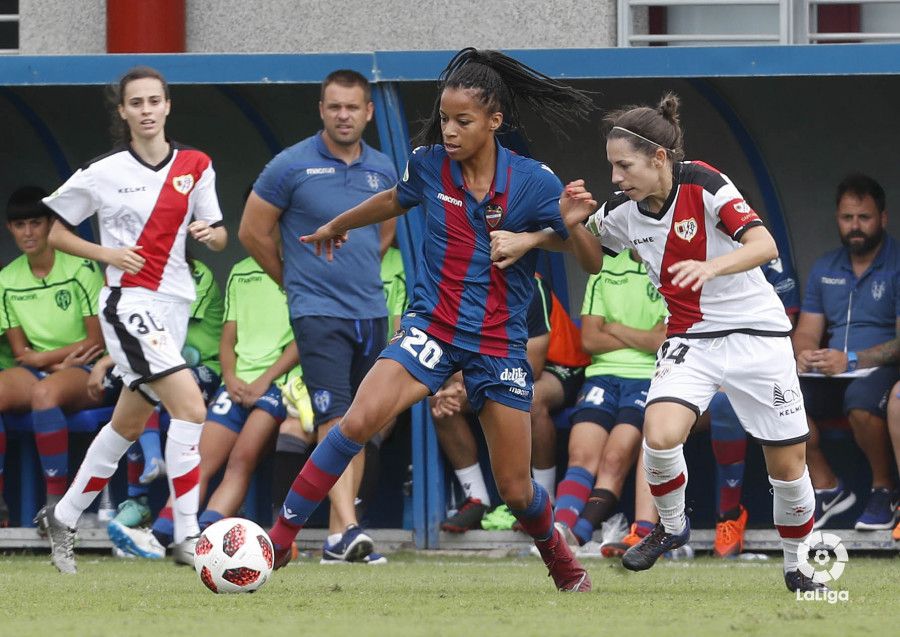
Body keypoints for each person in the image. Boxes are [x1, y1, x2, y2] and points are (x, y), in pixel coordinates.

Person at [266, 48, 597, 591]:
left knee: (516, 490)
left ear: (494, 122)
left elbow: (589, 258)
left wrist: (564, 227)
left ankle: (564, 565)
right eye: (444, 118)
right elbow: (394, 199)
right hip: (432, 328)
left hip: (498, 343)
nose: (449, 130)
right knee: (355, 421)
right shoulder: (428, 164)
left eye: (463, 120)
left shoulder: (533, 181)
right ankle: (280, 539)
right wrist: (338, 224)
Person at [494, 93, 822, 593]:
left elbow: (764, 244)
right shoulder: (622, 211)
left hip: (758, 336)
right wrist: (542, 234)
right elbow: (590, 254)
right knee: (660, 434)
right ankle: (671, 526)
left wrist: (711, 266)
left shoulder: (705, 183)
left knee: (788, 468)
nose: (615, 177)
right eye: (612, 166)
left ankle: (798, 566)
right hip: (691, 338)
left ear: (659, 158)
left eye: (624, 165)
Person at [34, 65, 227, 574]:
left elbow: (220, 234)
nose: (146, 110)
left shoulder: (196, 164)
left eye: (154, 101)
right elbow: (55, 232)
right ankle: (187, 535)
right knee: (191, 408)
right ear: (122, 111)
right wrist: (107, 254)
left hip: (175, 306)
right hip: (128, 304)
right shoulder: (103, 171)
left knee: (128, 423)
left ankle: (64, 515)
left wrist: (210, 234)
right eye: (136, 102)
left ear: (168, 106)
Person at [239, 69, 397, 563]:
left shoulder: (383, 168)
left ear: (368, 112)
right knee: (333, 417)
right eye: (334, 107)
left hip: (370, 310)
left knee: (361, 421)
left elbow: (385, 231)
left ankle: (334, 540)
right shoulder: (290, 165)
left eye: (352, 107)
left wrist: (356, 268)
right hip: (316, 312)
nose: (343, 116)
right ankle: (348, 526)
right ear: (321, 110)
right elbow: (251, 231)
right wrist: (293, 281)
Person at [793, 174, 900, 531]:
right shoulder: (825, 266)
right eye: (847, 218)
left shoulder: (897, 262)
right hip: (831, 372)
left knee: (860, 400)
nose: (855, 226)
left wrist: (852, 360)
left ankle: (884, 490)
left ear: (883, 218)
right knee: (779, 400)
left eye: (864, 217)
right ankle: (827, 486)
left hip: (882, 370)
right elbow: (806, 331)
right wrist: (805, 354)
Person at [0, 186, 105, 512]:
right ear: (10, 228)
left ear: (50, 224)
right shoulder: (6, 279)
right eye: (20, 225)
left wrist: (45, 359)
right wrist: (49, 364)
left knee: (45, 394)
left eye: (36, 223)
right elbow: (20, 352)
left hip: (89, 368)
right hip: (41, 370)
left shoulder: (81, 267)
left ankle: (55, 505)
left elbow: (97, 341)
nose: (28, 233)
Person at [553, 249, 667, 548]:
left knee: (615, 457)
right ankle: (560, 530)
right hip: (602, 375)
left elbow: (662, 341)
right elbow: (590, 339)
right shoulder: (605, 267)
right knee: (581, 453)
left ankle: (579, 534)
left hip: (648, 377)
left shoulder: (669, 267)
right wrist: (640, 337)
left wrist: (614, 328)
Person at [434, 275, 551, 533]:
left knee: (532, 402)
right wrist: (459, 387)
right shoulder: (461, 284)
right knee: (440, 401)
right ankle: (476, 498)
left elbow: (533, 366)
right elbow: (451, 353)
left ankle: (545, 500)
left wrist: (474, 386)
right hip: (483, 375)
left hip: (544, 372)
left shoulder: (530, 285)